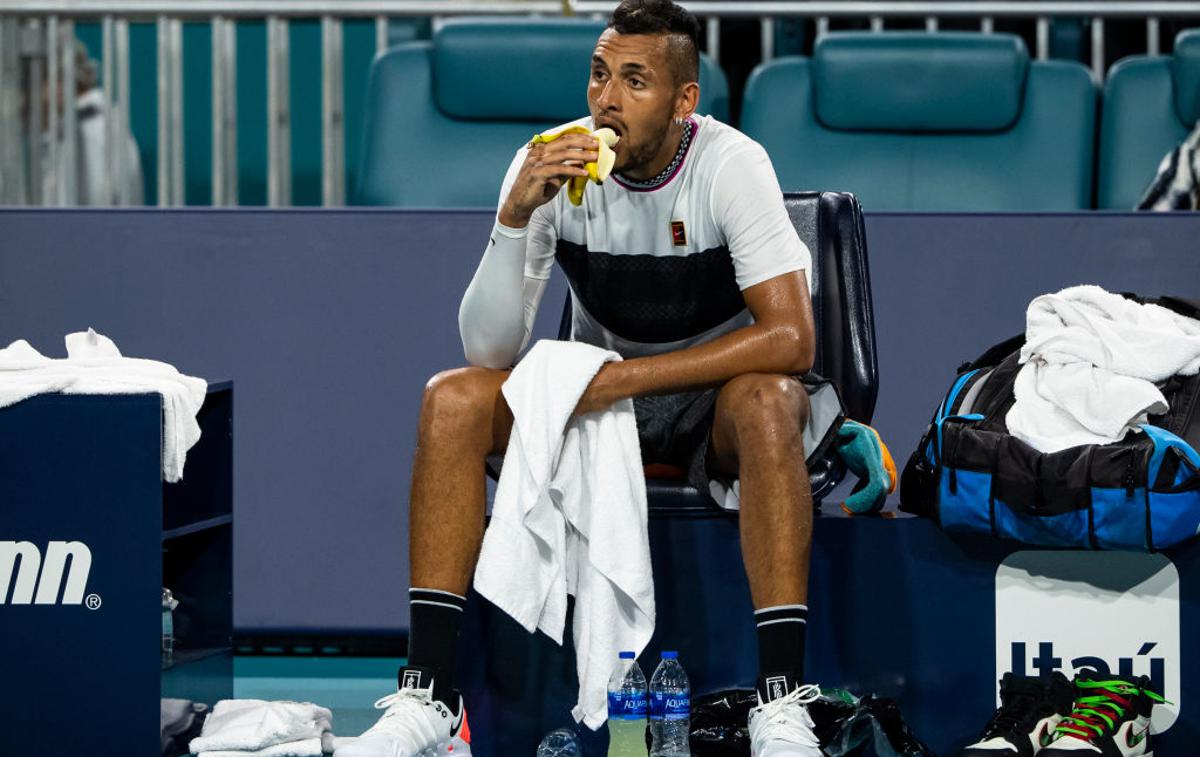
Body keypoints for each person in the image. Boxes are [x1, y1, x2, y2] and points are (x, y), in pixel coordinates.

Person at [337, 1, 824, 754]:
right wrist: (513, 217)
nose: (606, 99)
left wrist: (630, 381)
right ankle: (429, 695)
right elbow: (488, 349)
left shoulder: (731, 165)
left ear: (683, 101)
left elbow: (793, 337)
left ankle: (781, 701)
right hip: (600, 402)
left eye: (635, 81)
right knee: (451, 401)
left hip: (710, 404)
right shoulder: (552, 165)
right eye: (599, 75)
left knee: (769, 402)